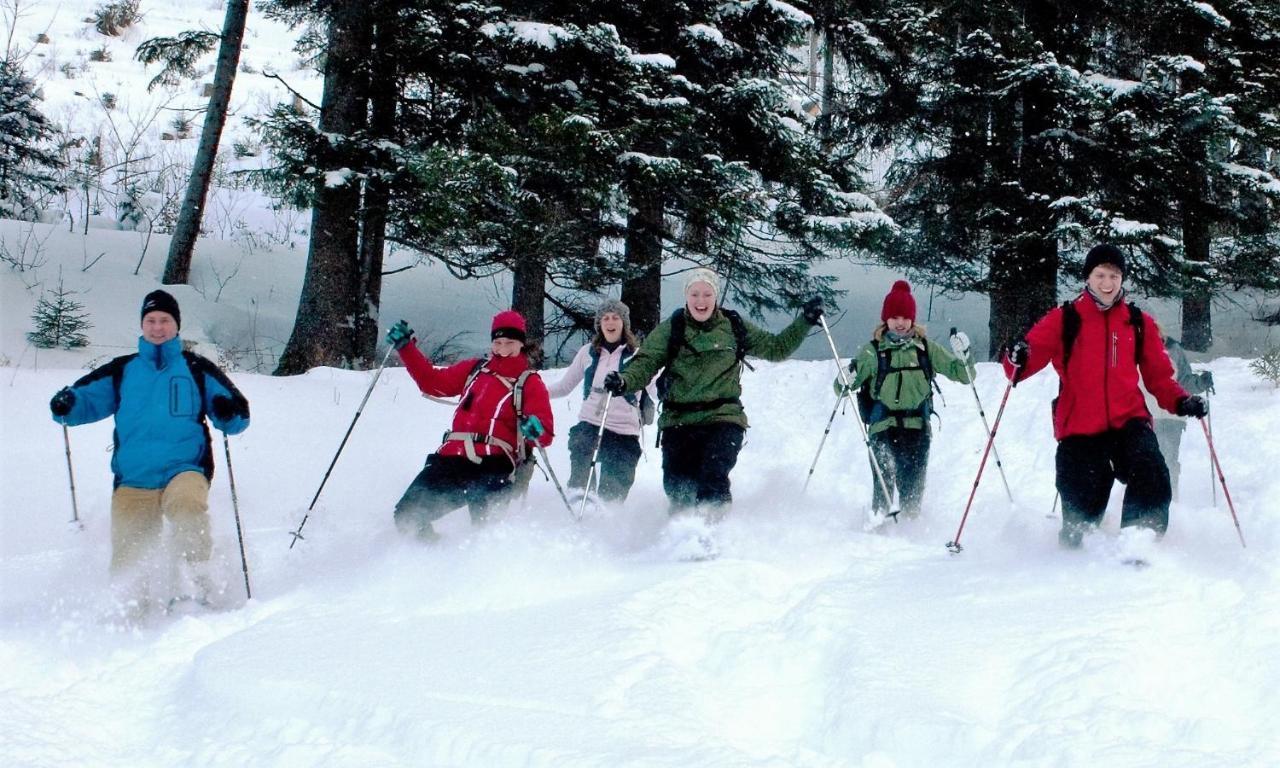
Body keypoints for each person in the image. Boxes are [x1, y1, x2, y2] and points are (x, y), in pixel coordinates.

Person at [49, 289, 250, 607]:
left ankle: (204, 592)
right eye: (151, 320)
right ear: (142, 325)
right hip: (134, 478)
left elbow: (238, 415)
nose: (158, 327)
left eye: (165, 320)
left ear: (176, 326)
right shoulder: (122, 370)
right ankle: (135, 618)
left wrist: (230, 412)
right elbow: (82, 402)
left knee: (186, 510)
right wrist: (67, 404)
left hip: (186, 468)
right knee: (129, 556)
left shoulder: (196, 369)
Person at [1003, 244, 1207, 547]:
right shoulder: (1065, 319)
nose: (1107, 283)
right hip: (1080, 429)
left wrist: (1181, 400)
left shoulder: (1138, 322)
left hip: (1128, 422)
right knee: (1080, 515)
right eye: (1100, 275)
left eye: (1114, 275)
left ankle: (1140, 540)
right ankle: (1075, 556)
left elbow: (1159, 378)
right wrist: (1017, 357)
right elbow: (1023, 363)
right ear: (1088, 277)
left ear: (1122, 278)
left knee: (1150, 467)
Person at [603, 268, 823, 519]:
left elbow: (776, 348)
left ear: (715, 296)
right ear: (686, 296)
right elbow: (645, 363)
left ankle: (712, 530)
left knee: (713, 474)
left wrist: (804, 321)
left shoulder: (733, 325)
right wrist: (624, 381)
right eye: (695, 294)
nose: (701, 301)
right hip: (679, 420)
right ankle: (681, 534)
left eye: (707, 294)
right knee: (678, 488)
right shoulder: (671, 329)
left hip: (723, 418)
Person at [387, 309, 554, 540]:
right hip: (453, 459)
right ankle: (433, 558)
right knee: (407, 515)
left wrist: (536, 427)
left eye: (510, 343)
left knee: (483, 530)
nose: (503, 349)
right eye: (498, 342)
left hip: (494, 465)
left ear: (521, 344)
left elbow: (545, 432)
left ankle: (482, 570)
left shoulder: (530, 382)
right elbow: (432, 383)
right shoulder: (475, 370)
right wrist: (406, 348)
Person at [834, 280, 976, 520]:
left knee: (912, 489)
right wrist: (843, 378)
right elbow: (844, 388)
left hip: (917, 428)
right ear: (885, 320)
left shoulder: (925, 349)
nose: (900, 323)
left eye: (905, 317)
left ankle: (910, 533)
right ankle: (879, 526)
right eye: (894, 317)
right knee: (885, 476)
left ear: (912, 319)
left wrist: (965, 355)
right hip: (882, 427)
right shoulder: (872, 352)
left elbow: (964, 374)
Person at [546, 299, 657, 508]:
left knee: (614, 487)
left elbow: (654, 389)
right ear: (599, 324)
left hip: (624, 428)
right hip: (591, 422)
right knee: (581, 449)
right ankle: (579, 502)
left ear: (624, 324)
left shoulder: (638, 356)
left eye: (615, 318)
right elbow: (564, 387)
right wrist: (532, 393)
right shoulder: (588, 352)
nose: (610, 322)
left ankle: (607, 517)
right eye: (605, 318)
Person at [1148, 333, 1215, 500]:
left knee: (1168, 459)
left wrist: (1200, 383)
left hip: (1171, 416)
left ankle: (1170, 499)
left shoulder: (1173, 349)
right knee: (1145, 462)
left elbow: (1184, 381)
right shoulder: (1128, 345)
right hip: (1142, 416)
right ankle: (1144, 504)